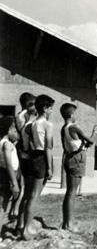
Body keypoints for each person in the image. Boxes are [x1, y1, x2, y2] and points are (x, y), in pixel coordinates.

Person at [21, 94, 54, 240]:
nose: (51, 111)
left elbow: (28, 145)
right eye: (51, 108)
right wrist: (50, 167)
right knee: (35, 195)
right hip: (41, 157)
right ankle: (27, 229)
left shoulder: (33, 123)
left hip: (32, 156)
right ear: (45, 108)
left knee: (30, 195)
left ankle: (23, 225)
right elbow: (48, 147)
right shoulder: (48, 124)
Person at [60, 103, 94, 230]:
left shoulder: (64, 128)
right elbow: (90, 142)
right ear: (71, 114)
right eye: (75, 113)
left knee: (69, 192)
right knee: (72, 192)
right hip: (77, 160)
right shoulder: (74, 127)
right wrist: (94, 133)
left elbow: (72, 144)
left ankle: (66, 222)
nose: (76, 116)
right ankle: (68, 224)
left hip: (69, 158)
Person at [15, 93, 37, 232]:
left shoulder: (25, 115)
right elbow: (24, 135)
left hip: (25, 155)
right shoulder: (22, 116)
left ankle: (21, 223)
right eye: (34, 104)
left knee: (27, 192)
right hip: (25, 156)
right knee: (27, 191)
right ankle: (20, 224)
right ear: (28, 104)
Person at [0, 116, 20, 229]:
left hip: (4, 173)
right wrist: (14, 182)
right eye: (14, 130)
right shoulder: (7, 144)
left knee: (3, 205)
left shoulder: (3, 142)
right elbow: (8, 164)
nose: (16, 132)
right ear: (8, 131)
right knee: (3, 206)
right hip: (7, 175)